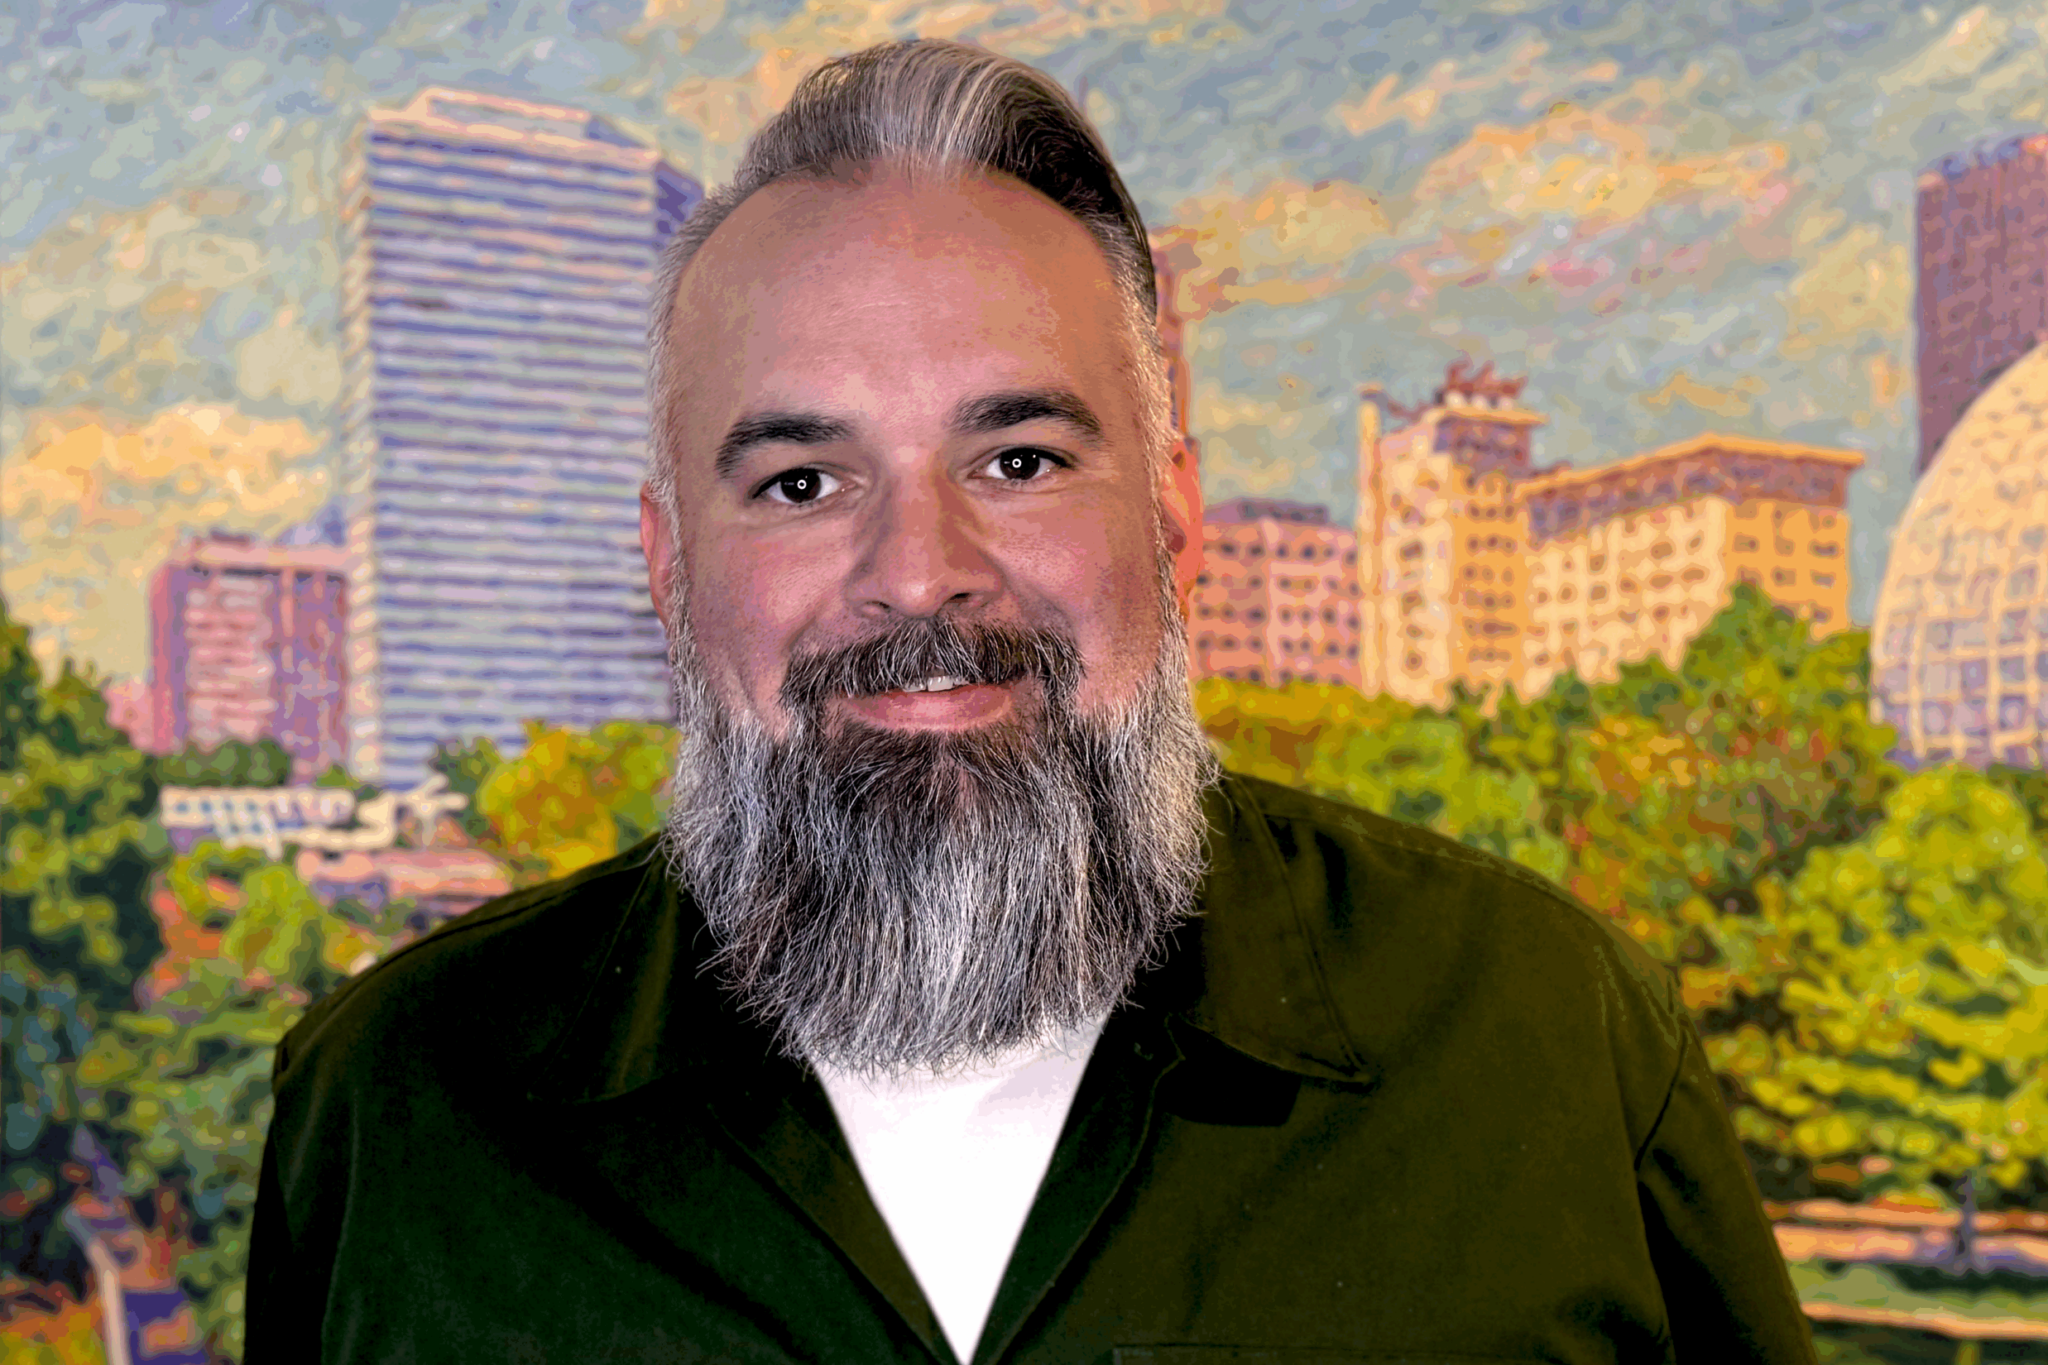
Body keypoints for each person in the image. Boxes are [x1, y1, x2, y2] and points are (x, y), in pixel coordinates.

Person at [246, 38, 1819, 1365]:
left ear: (1175, 514)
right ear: (668, 565)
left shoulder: (1548, 1034)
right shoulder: (396, 1107)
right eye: (801, 482)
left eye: (1019, 460)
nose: (920, 573)